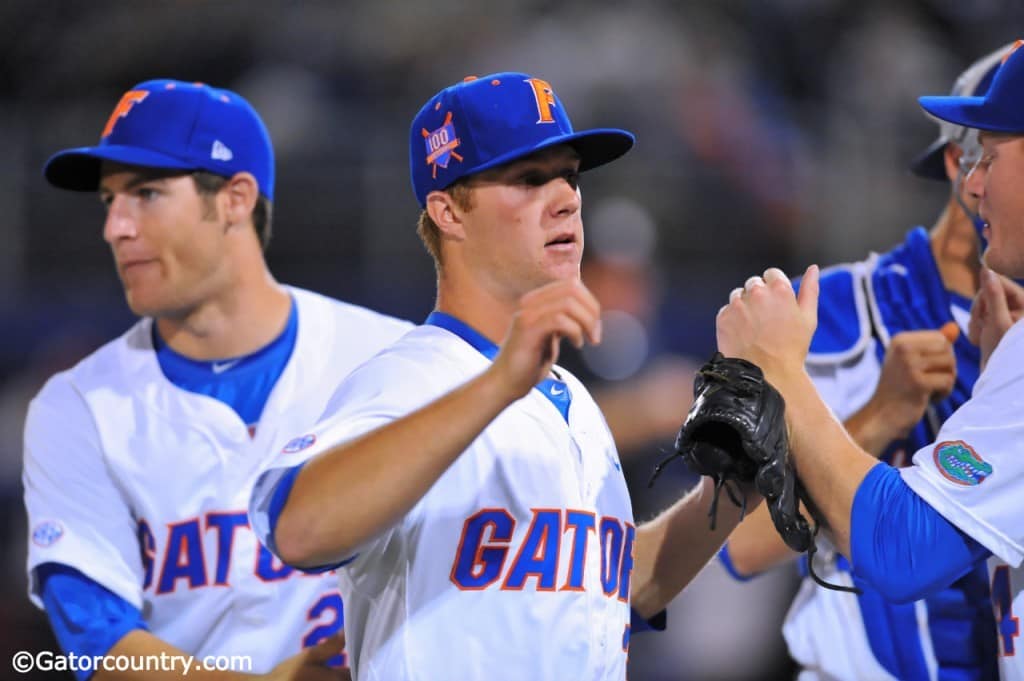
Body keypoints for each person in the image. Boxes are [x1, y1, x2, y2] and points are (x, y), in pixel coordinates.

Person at [248, 72, 757, 681]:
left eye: (568, 175)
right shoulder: (411, 377)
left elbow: (607, 594)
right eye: (528, 179)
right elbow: (297, 530)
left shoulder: (570, 398)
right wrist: (497, 386)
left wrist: (729, 492)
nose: (567, 198)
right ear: (447, 211)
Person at [23, 79, 413, 680]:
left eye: (146, 193)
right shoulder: (78, 405)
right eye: (108, 202)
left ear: (235, 197)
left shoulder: (391, 359)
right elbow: (97, 643)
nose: (116, 228)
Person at [715, 39, 1024, 680]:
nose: (977, 179)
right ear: (950, 159)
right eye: (975, 155)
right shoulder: (830, 308)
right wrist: (880, 414)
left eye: (995, 156)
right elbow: (736, 544)